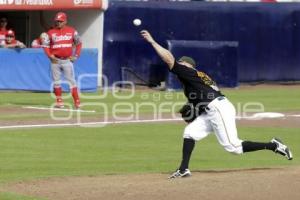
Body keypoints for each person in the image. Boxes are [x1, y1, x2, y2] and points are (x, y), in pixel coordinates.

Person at [140, 30, 293, 179]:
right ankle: (183, 169)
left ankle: (273, 145)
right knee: (190, 132)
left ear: (188, 65)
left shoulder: (189, 72)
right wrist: (196, 109)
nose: (179, 64)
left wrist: (152, 42)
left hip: (217, 108)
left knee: (233, 147)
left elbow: (169, 60)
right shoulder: (197, 78)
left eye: (181, 62)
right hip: (214, 108)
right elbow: (202, 97)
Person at [43, 12, 82, 109]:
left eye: (61, 21)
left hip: (67, 60)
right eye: (57, 21)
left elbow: (79, 43)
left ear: (65, 21)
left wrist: (76, 55)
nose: (58, 23)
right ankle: (59, 101)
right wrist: (49, 56)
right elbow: (45, 46)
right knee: (56, 82)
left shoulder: (72, 31)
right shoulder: (51, 32)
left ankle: (77, 101)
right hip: (55, 60)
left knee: (71, 81)